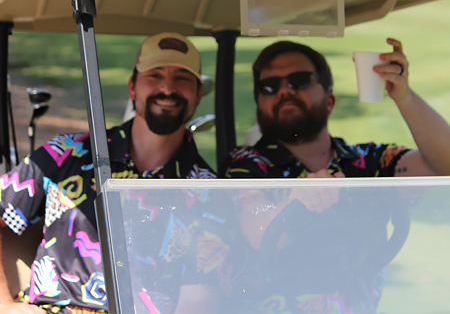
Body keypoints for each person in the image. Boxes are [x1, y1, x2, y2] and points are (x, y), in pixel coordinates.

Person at [0, 32, 233, 314]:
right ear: (132, 88)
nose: (168, 88)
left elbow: (199, 296)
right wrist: (5, 304)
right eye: (155, 75)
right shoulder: (65, 152)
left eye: (182, 77)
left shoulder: (209, 191)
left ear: (197, 96)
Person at [220, 38, 450, 313]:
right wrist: (293, 203)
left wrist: (405, 97)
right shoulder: (248, 165)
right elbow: (256, 227)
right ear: (260, 103)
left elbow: (443, 166)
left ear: (329, 100)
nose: (284, 91)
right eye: (270, 86)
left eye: (299, 81)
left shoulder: (368, 163)